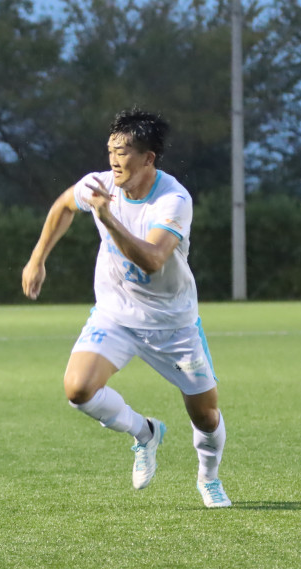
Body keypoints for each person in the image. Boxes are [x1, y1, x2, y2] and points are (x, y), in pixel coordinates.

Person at [20, 109, 231, 508]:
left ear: (148, 158)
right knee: (78, 390)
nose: (114, 160)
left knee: (205, 415)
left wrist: (107, 218)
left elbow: (152, 259)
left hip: (172, 324)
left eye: (124, 152)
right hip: (115, 314)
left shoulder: (173, 200)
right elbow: (64, 205)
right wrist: (37, 259)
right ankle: (145, 432)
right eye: (110, 150)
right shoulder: (99, 184)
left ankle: (209, 478)